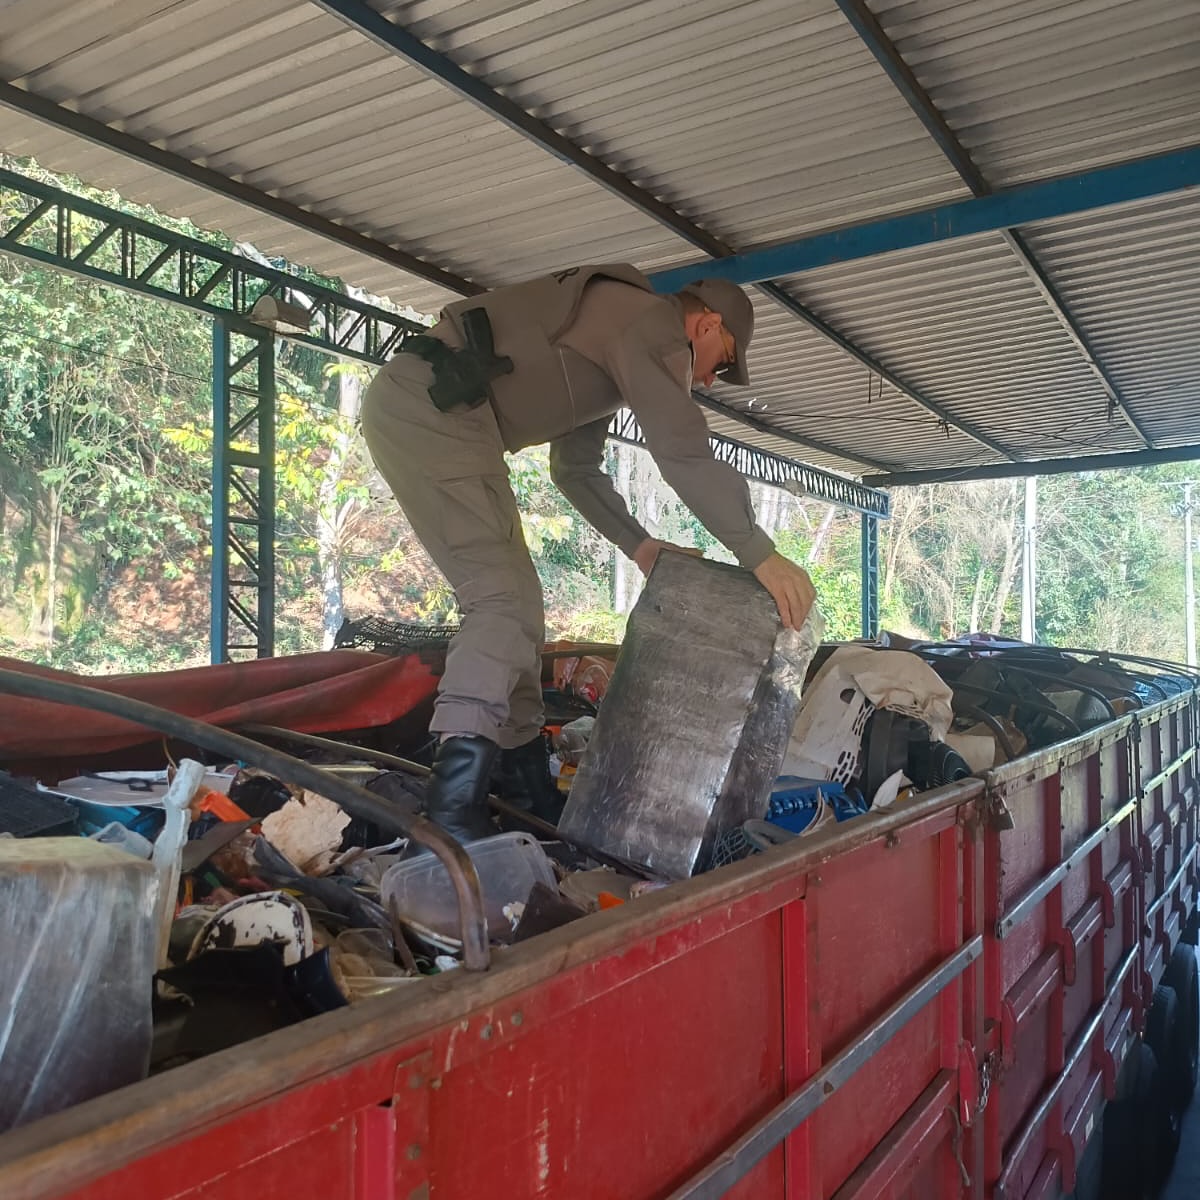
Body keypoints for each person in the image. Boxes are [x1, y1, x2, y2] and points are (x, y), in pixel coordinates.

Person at [360, 264, 816, 843]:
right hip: (432, 412)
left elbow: (573, 470)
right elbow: (682, 448)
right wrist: (761, 553)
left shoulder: (617, 346)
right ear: (705, 323)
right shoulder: (649, 322)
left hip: (452, 421)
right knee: (498, 600)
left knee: (521, 605)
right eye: (721, 362)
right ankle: (451, 805)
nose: (707, 381)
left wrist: (641, 545)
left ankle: (520, 782)